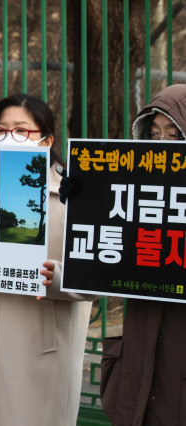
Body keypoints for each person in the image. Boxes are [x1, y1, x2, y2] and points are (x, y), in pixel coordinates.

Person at [0, 94, 99, 426]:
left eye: (22, 130)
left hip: (38, 348)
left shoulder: (73, 194)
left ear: (46, 139)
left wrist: (58, 278)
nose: (9, 137)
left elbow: (100, 275)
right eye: (1, 129)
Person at [99, 84, 186, 425]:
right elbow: (95, 270)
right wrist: (84, 202)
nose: (162, 146)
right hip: (136, 376)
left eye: (175, 135)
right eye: (153, 134)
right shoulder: (130, 200)